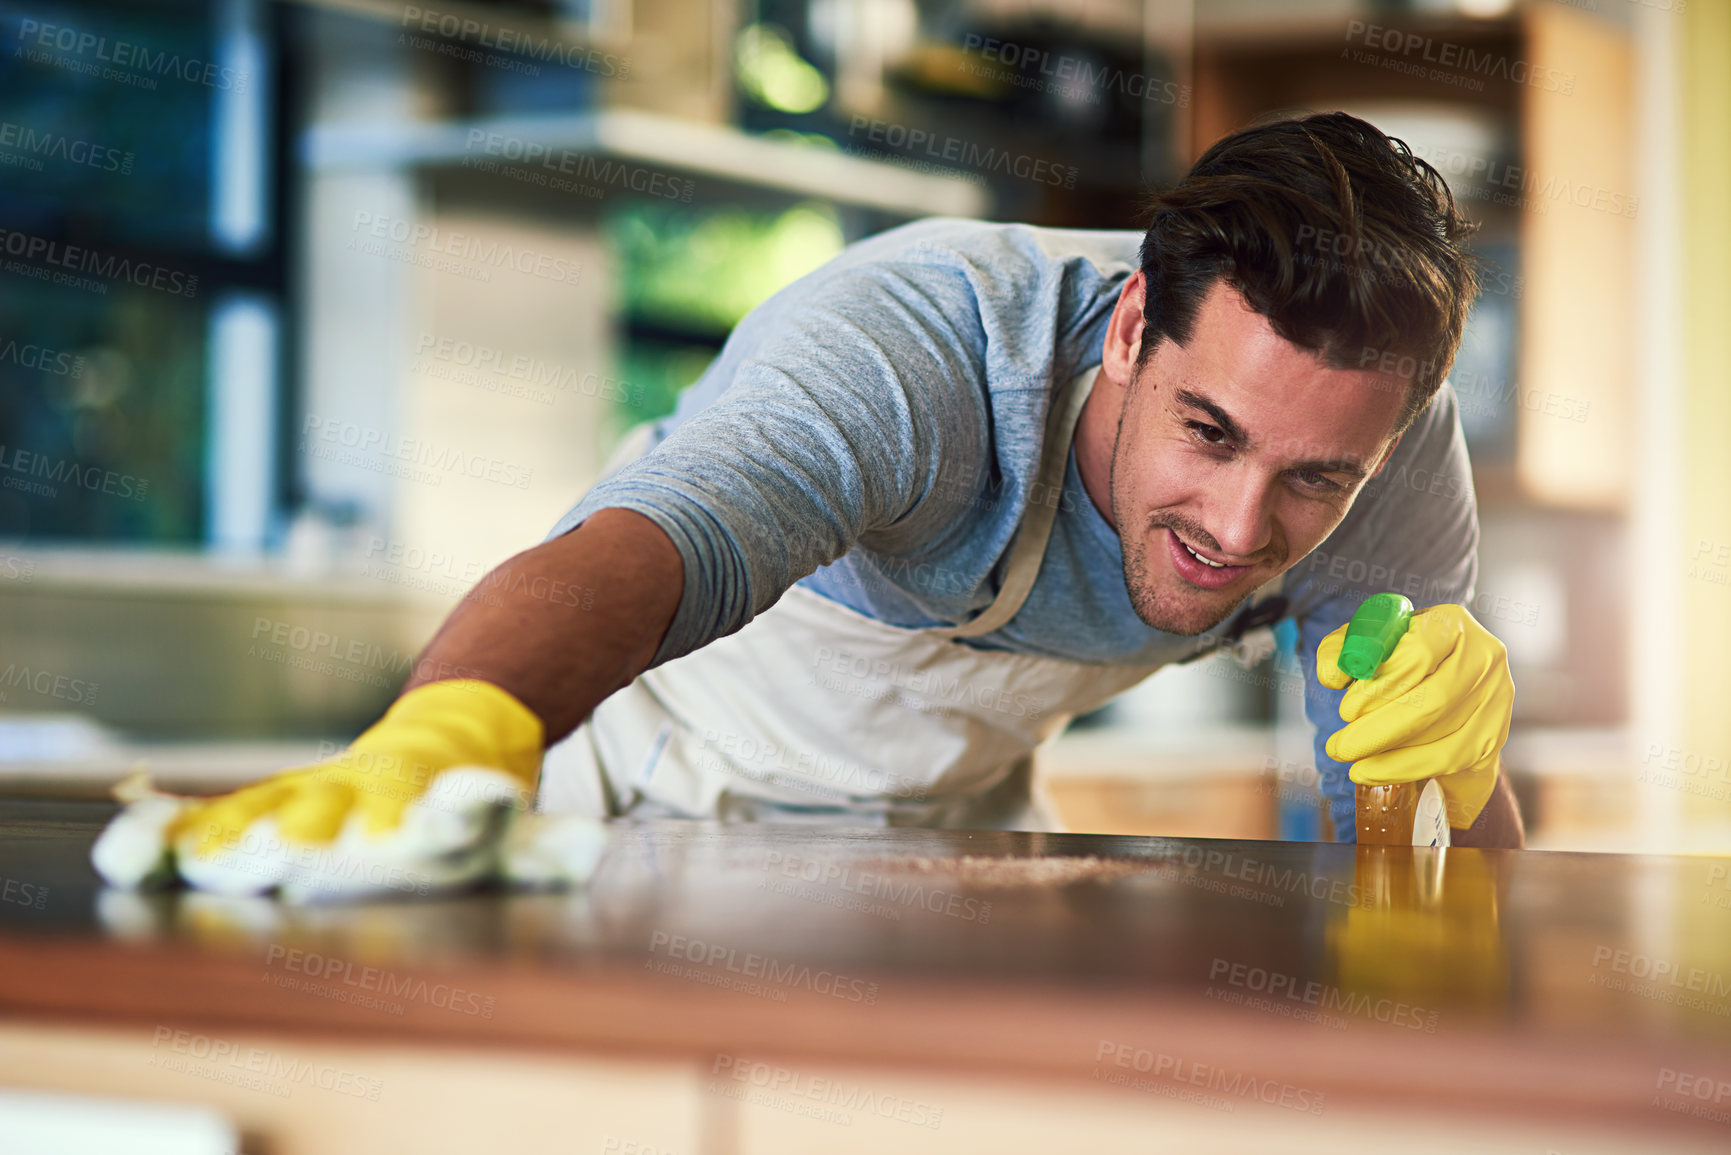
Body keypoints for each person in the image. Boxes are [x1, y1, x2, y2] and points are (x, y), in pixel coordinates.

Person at [178, 110, 1524, 873]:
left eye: (1313, 483)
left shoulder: (1391, 448)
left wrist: (1452, 787)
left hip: (954, 848)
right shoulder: (926, 343)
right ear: (1127, 333)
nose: (1241, 528)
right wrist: (440, 734)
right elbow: (661, 543)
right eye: (1208, 433)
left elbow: (1413, 867)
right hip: (650, 811)